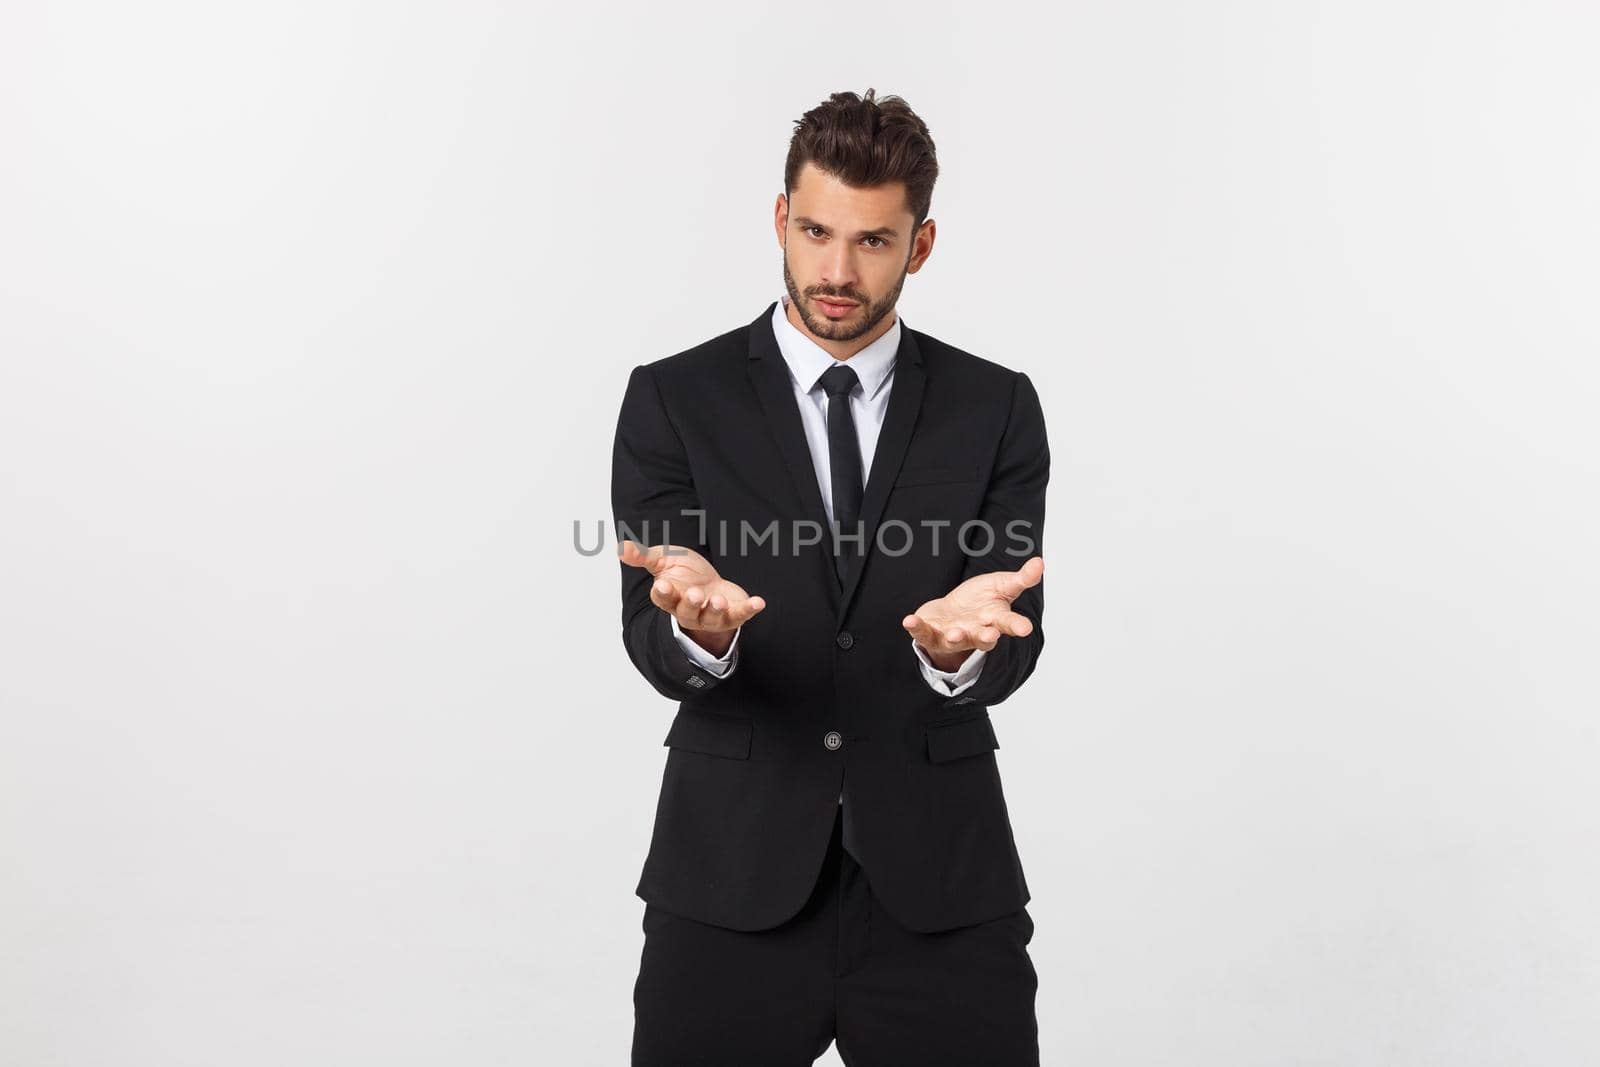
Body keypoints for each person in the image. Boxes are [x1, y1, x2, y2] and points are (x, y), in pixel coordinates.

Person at [611, 87, 1049, 1066]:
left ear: (920, 244)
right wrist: (703, 630)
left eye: (873, 241)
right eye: (814, 231)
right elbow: (652, 633)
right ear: (780, 219)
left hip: (940, 889)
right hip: (728, 882)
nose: (837, 270)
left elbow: (1014, 630)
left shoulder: (996, 408)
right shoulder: (675, 400)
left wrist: (952, 657)